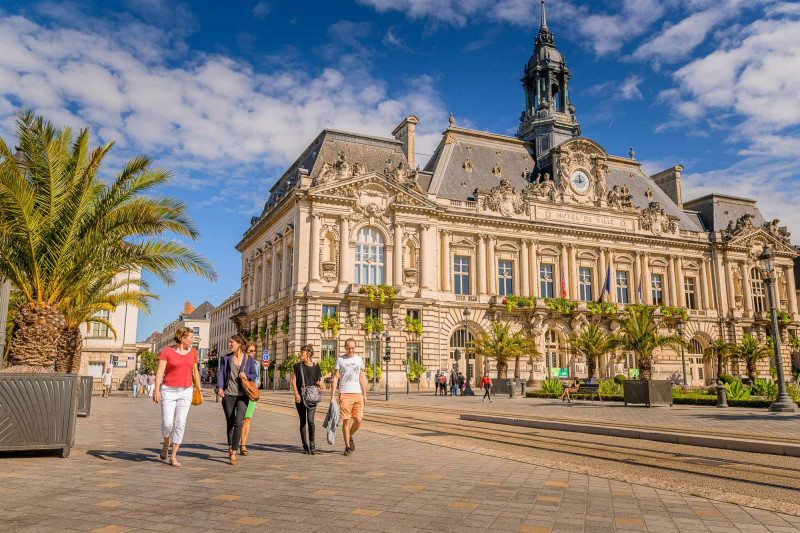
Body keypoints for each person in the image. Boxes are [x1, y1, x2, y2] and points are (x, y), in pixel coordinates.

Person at [153, 326, 201, 467]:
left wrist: (199, 389)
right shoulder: (167, 352)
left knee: (181, 423)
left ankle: (173, 456)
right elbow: (160, 372)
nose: (193, 339)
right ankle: (166, 442)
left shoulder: (193, 352)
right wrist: (157, 390)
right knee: (167, 423)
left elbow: (195, 372)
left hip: (186, 390)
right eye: (191, 337)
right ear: (182, 338)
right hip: (168, 390)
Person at [217, 334, 258, 465]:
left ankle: (234, 452)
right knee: (230, 422)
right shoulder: (226, 358)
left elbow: (254, 374)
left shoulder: (248, 359)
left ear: (239, 344)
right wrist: (219, 387)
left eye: (232, 342)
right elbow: (221, 374)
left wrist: (246, 375)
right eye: (230, 343)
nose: (230, 345)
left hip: (243, 396)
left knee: (239, 422)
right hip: (229, 394)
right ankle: (230, 447)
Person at [330, 338, 366, 456]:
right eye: (349, 348)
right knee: (346, 420)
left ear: (355, 347)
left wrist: (364, 393)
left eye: (353, 348)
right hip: (344, 393)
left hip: (357, 393)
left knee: (358, 420)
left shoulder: (359, 359)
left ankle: (349, 436)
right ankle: (347, 447)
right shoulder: (340, 360)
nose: (351, 350)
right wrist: (333, 395)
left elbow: (361, 376)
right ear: (345, 348)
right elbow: (335, 378)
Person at [292, 344, 324, 455]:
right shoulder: (297, 366)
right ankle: (304, 445)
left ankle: (312, 444)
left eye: (302, 352)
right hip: (301, 397)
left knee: (311, 421)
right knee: (303, 422)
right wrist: (296, 394)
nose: (300, 354)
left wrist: (321, 386)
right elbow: (294, 381)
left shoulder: (316, 366)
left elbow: (317, 381)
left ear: (308, 354)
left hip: (312, 397)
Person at [239, 343, 259, 456]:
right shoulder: (240, 362)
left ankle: (243, 444)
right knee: (237, 419)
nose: (253, 353)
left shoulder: (257, 364)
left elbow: (257, 378)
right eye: (250, 351)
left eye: (254, 351)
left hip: (251, 393)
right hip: (239, 393)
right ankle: (234, 442)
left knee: (247, 418)